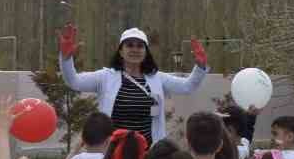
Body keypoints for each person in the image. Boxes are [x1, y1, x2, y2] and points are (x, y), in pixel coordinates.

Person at [58, 24, 209, 145]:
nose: (135, 49)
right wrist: (66, 60)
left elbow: (187, 86)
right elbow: (74, 81)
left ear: (146, 52)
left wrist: (200, 67)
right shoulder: (105, 77)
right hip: (113, 152)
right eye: (129, 45)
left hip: (148, 153)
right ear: (121, 51)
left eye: (140, 46)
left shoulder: (157, 78)